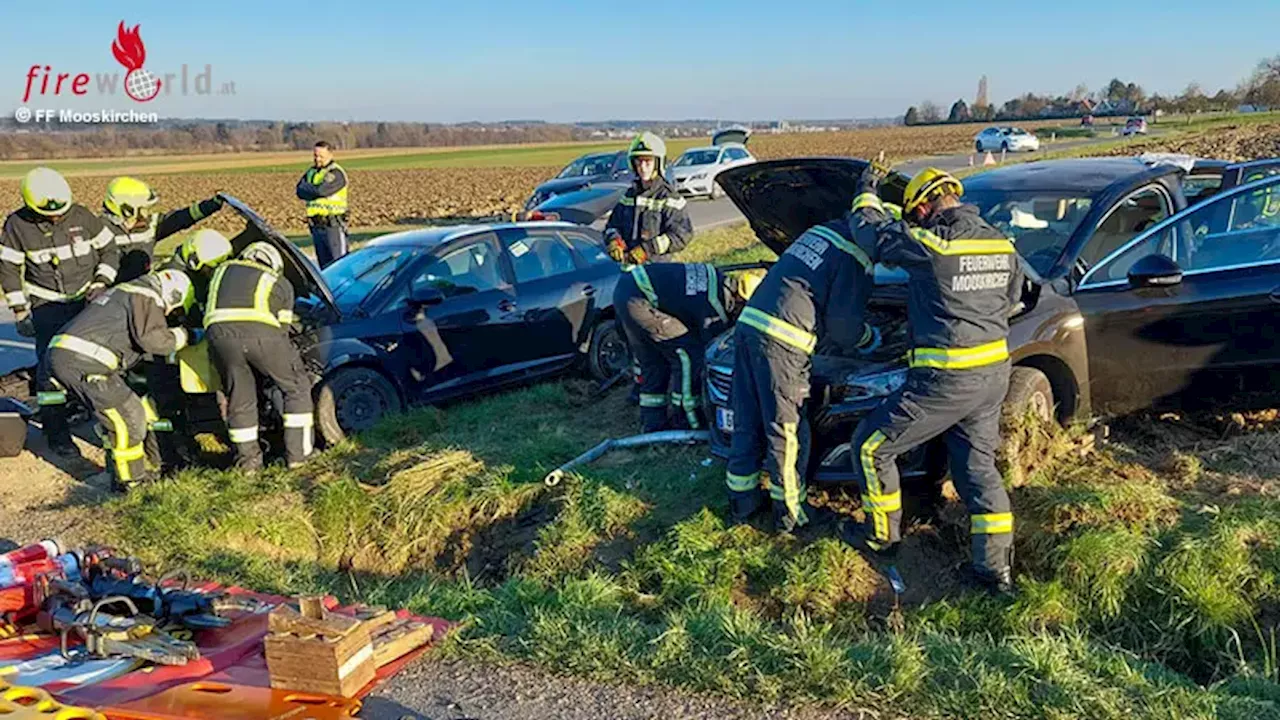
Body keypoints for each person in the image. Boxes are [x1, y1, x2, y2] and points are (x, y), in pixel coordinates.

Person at [842, 164, 1024, 595]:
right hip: (993, 374)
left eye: (913, 214)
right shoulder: (1001, 244)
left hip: (946, 379)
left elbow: (871, 234)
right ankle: (994, 572)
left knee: (870, 447)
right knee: (979, 470)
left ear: (923, 207)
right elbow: (1014, 298)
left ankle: (881, 538)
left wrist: (866, 191)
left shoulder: (933, 242)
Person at [724, 200, 883, 533]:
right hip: (782, 341)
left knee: (747, 418)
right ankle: (791, 514)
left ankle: (743, 501)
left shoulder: (820, 232)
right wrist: (870, 338)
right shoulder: (857, 255)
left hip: (748, 326)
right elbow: (843, 329)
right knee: (788, 428)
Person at [0, 167, 119, 456]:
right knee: (49, 372)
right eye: (49, 214)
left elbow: (110, 251)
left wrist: (101, 282)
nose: (56, 217)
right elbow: (9, 271)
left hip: (87, 304)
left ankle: (106, 425)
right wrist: (20, 312)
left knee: (101, 364)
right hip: (46, 308)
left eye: (61, 212)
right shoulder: (17, 226)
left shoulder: (82, 217)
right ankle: (58, 435)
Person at [45, 269, 195, 491]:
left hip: (65, 356)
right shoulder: (147, 296)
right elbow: (154, 341)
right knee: (129, 419)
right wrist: (187, 335)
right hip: (84, 362)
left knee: (116, 417)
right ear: (173, 296)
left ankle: (118, 474)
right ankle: (133, 484)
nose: (167, 314)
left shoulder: (124, 291)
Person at [613, 263, 763, 432]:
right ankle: (688, 420)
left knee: (654, 362)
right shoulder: (714, 305)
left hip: (627, 289)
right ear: (740, 299)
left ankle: (653, 424)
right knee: (689, 356)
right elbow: (712, 349)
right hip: (640, 301)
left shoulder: (715, 277)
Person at [204, 242, 314, 470]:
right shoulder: (279, 282)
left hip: (219, 338)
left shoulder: (221, 272)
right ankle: (299, 459)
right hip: (263, 336)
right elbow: (283, 331)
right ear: (274, 265)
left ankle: (249, 466)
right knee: (296, 388)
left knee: (240, 398)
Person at [101, 176, 225, 283]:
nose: (146, 214)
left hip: (145, 291)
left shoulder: (149, 226)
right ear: (127, 210)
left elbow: (180, 219)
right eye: (142, 209)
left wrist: (211, 205)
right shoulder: (97, 232)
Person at [603, 132, 692, 266]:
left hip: (658, 270)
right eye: (639, 162)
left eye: (647, 162)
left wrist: (647, 250)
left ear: (657, 163)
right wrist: (614, 241)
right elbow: (612, 226)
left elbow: (682, 234)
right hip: (630, 269)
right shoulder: (629, 195)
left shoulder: (669, 198)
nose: (642, 167)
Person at [295, 141, 348, 268]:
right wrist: (314, 190)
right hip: (316, 227)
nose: (317, 159)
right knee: (325, 270)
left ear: (330, 154)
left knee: (340, 266)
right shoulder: (311, 172)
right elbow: (299, 190)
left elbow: (322, 191)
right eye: (315, 156)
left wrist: (311, 190)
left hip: (333, 226)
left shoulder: (336, 173)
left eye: (321, 156)